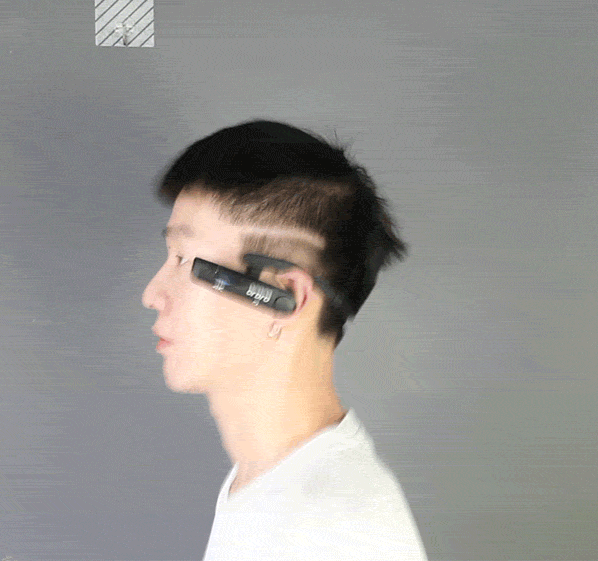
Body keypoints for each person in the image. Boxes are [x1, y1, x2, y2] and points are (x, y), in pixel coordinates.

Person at [142, 119, 427, 560]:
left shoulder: (335, 528)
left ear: (283, 298)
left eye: (184, 259)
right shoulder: (271, 482)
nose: (152, 295)